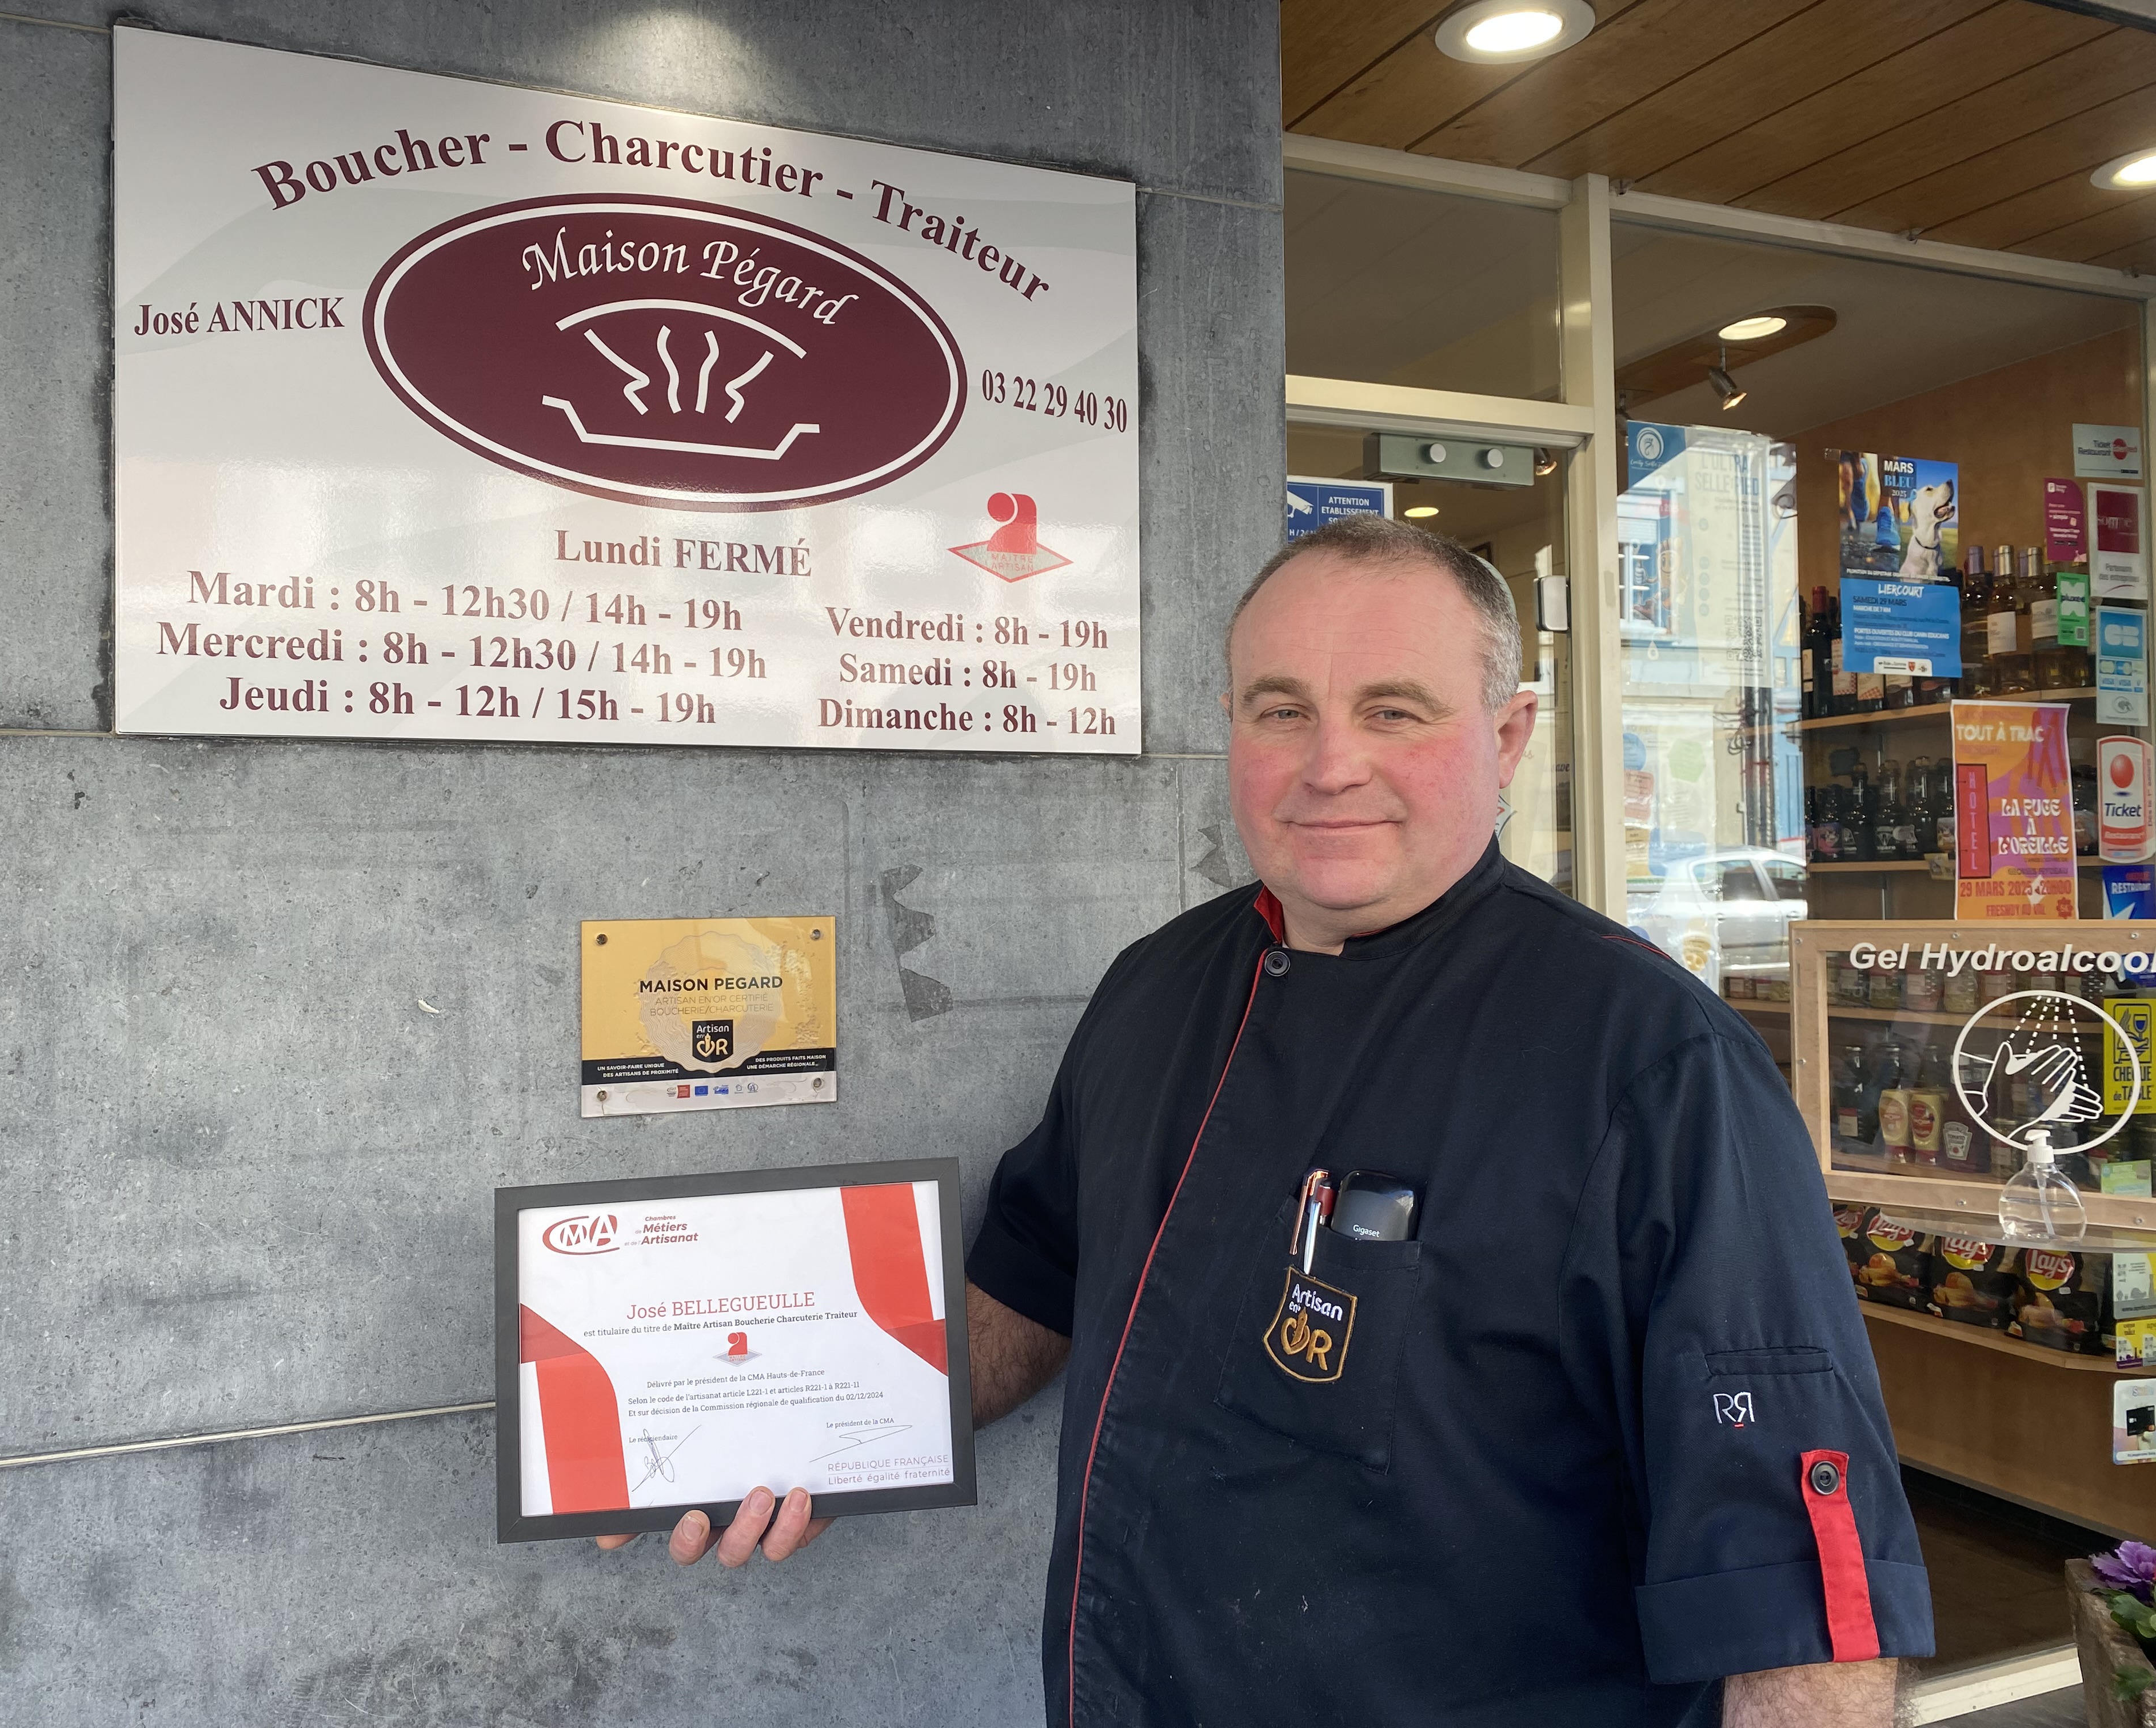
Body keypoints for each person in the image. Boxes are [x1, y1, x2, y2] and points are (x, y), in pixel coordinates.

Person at [600, 515, 1933, 1726]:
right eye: (1281, 709)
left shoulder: (1651, 1062)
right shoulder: (1157, 986)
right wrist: (806, 1431)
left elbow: (1802, 1590)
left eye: (1395, 711)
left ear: (1510, 737)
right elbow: (1032, 1280)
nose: (1330, 765)